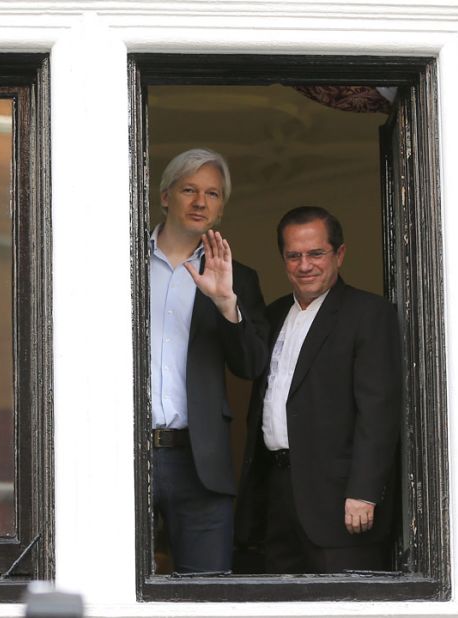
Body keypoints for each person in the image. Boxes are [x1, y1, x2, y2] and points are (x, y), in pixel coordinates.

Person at [234, 206, 402, 574]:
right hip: (277, 493)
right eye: (294, 256)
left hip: (341, 502)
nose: (304, 265)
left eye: (316, 253)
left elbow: (379, 412)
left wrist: (364, 492)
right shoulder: (275, 313)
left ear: (339, 254)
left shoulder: (370, 314)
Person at [149, 148, 268, 573]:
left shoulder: (239, 278)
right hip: (122, 455)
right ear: (166, 197)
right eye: (189, 190)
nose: (201, 202)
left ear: (221, 207)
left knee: (207, 593)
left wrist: (226, 304)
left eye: (213, 194)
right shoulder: (121, 265)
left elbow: (252, 366)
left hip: (199, 461)